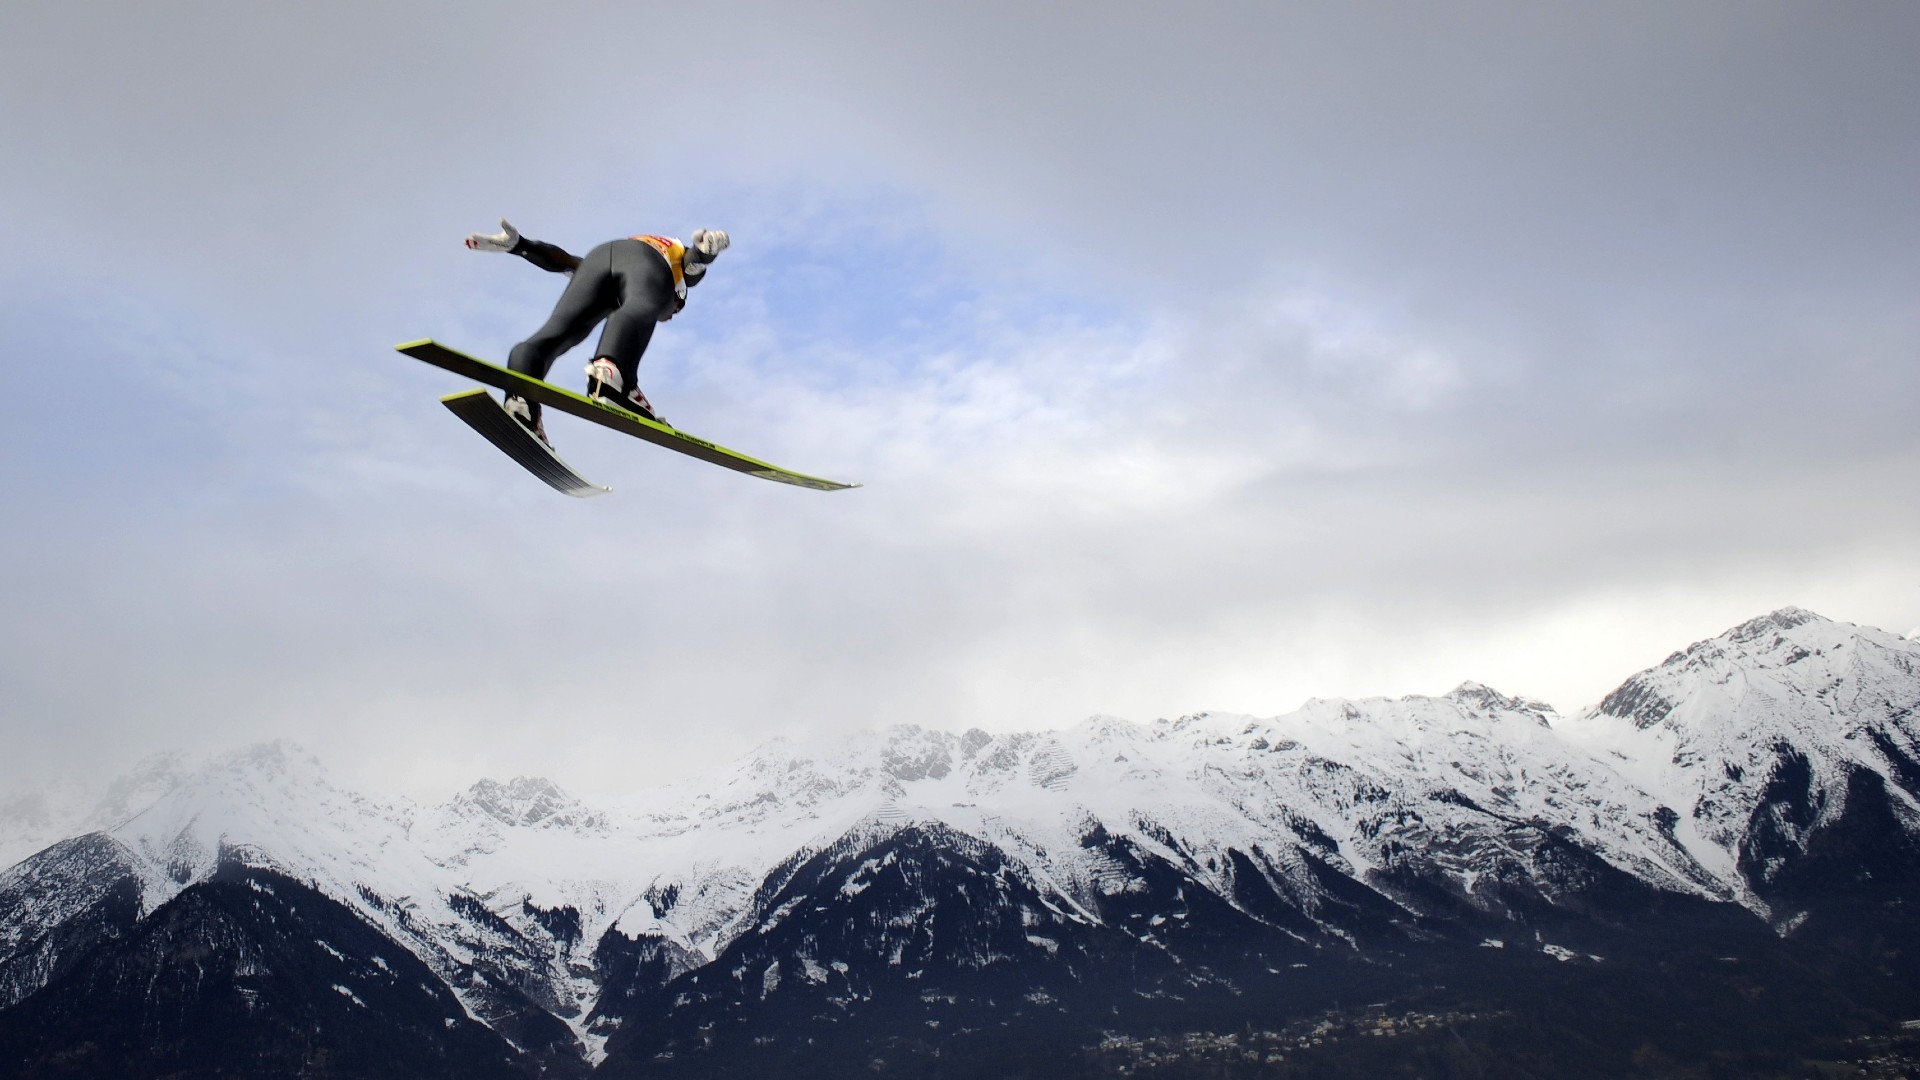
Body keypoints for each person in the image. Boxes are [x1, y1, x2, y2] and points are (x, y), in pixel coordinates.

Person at [463, 219, 730, 444]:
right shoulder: (672, 272)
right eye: (675, 308)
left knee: (556, 334)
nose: (670, 316)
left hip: (596, 259)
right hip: (646, 259)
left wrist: (522, 246)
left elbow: (562, 261)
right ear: (676, 295)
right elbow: (692, 267)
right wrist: (705, 254)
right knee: (640, 306)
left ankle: (521, 399)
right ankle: (614, 378)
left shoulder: (625, 269)